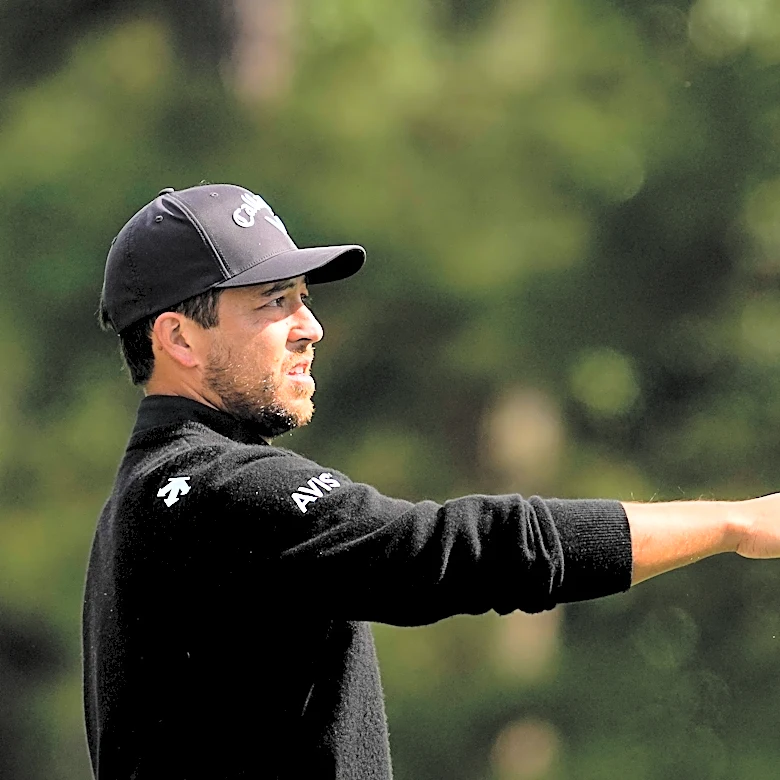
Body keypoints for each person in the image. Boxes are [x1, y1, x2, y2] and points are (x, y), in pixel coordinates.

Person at [83, 182, 780, 780]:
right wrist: (737, 525)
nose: (311, 327)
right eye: (273, 303)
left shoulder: (151, 498)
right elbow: (457, 549)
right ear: (178, 339)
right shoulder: (221, 491)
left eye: (304, 298)